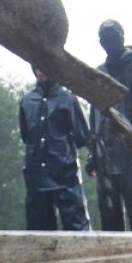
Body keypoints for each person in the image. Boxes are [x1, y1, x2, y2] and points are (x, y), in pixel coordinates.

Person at [87, 20, 132, 231]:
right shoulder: (99, 72)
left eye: (113, 37)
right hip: (104, 157)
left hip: (131, 156)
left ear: (122, 38)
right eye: (104, 38)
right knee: (109, 220)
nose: (109, 42)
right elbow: (94, 115)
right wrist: (92, 154)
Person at [19, 65, 91, 231]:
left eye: (43, 65)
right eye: (36, 65)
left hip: (64, 172)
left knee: (76, 225)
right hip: (36, 174)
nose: (40, 70)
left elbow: (81, 136)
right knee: (38, 228)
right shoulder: (27, 100)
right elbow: (26, 135)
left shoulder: (68, 99)